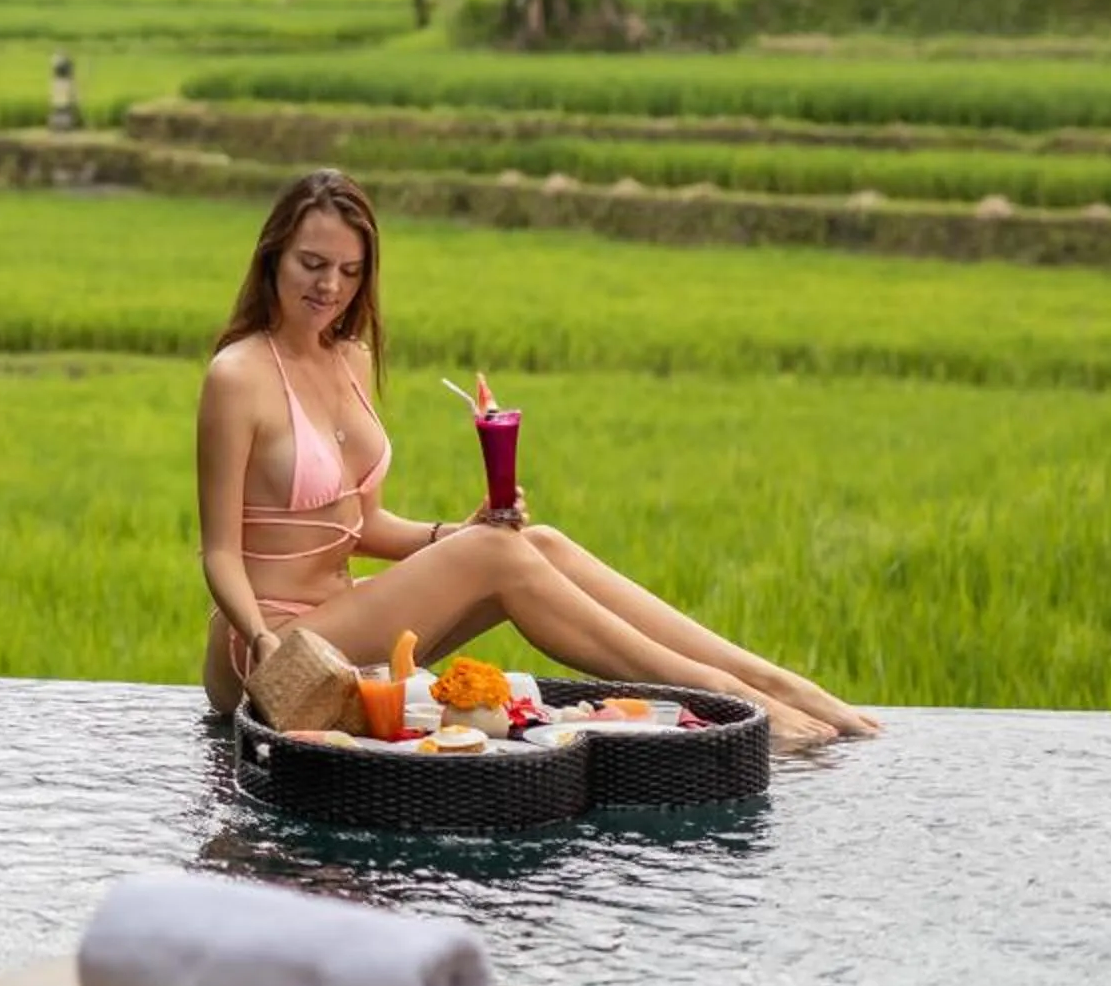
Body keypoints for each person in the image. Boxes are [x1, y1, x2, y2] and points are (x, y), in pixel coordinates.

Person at [194, 169, 879, 749]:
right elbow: (220, 553)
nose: (330, 288)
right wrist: (261, 640)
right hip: (270, 652)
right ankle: (729, 700)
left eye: (349, 271)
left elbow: (362, 525)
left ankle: (772, 681)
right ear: (273, 256)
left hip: (346, 630)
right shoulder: (239, 375)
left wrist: (456, 535)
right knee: (496, 555)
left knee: (532, 542)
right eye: (312, 265)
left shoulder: (350, 359)